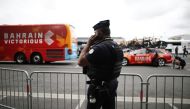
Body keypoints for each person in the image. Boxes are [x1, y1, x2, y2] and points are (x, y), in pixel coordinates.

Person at [78, 20, 123, 109]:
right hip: (112, 84)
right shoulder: (116, 45)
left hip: (98, 88)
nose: (93, 35)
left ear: (100, 33)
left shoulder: (100, 48)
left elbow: (80, 62)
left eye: (95, 32)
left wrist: (88, 44)